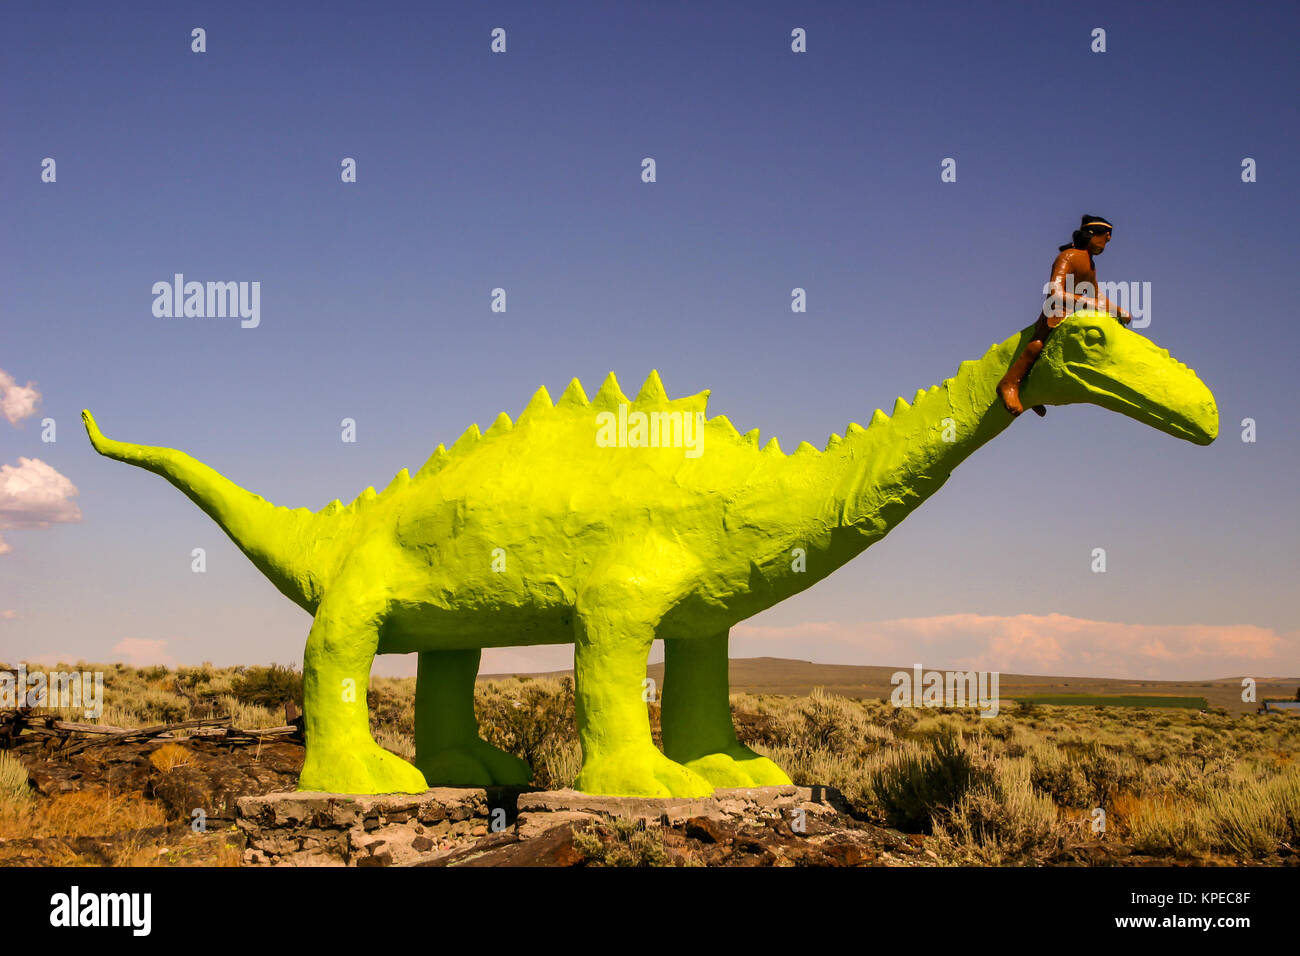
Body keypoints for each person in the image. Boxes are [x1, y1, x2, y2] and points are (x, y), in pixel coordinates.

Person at [997, 214, 1133, 417]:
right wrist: (1092, 303)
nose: (1105, 245)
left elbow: (1096, 295)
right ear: (1093, 236)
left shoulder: (1090, 265)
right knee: (1038, 345)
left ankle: (1030, 392)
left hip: (1071, 315)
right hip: (1055, 312)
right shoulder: (1068, 256)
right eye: (1104, 239)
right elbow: (1056, 293)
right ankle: (1008, 384)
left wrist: (1117, 310)